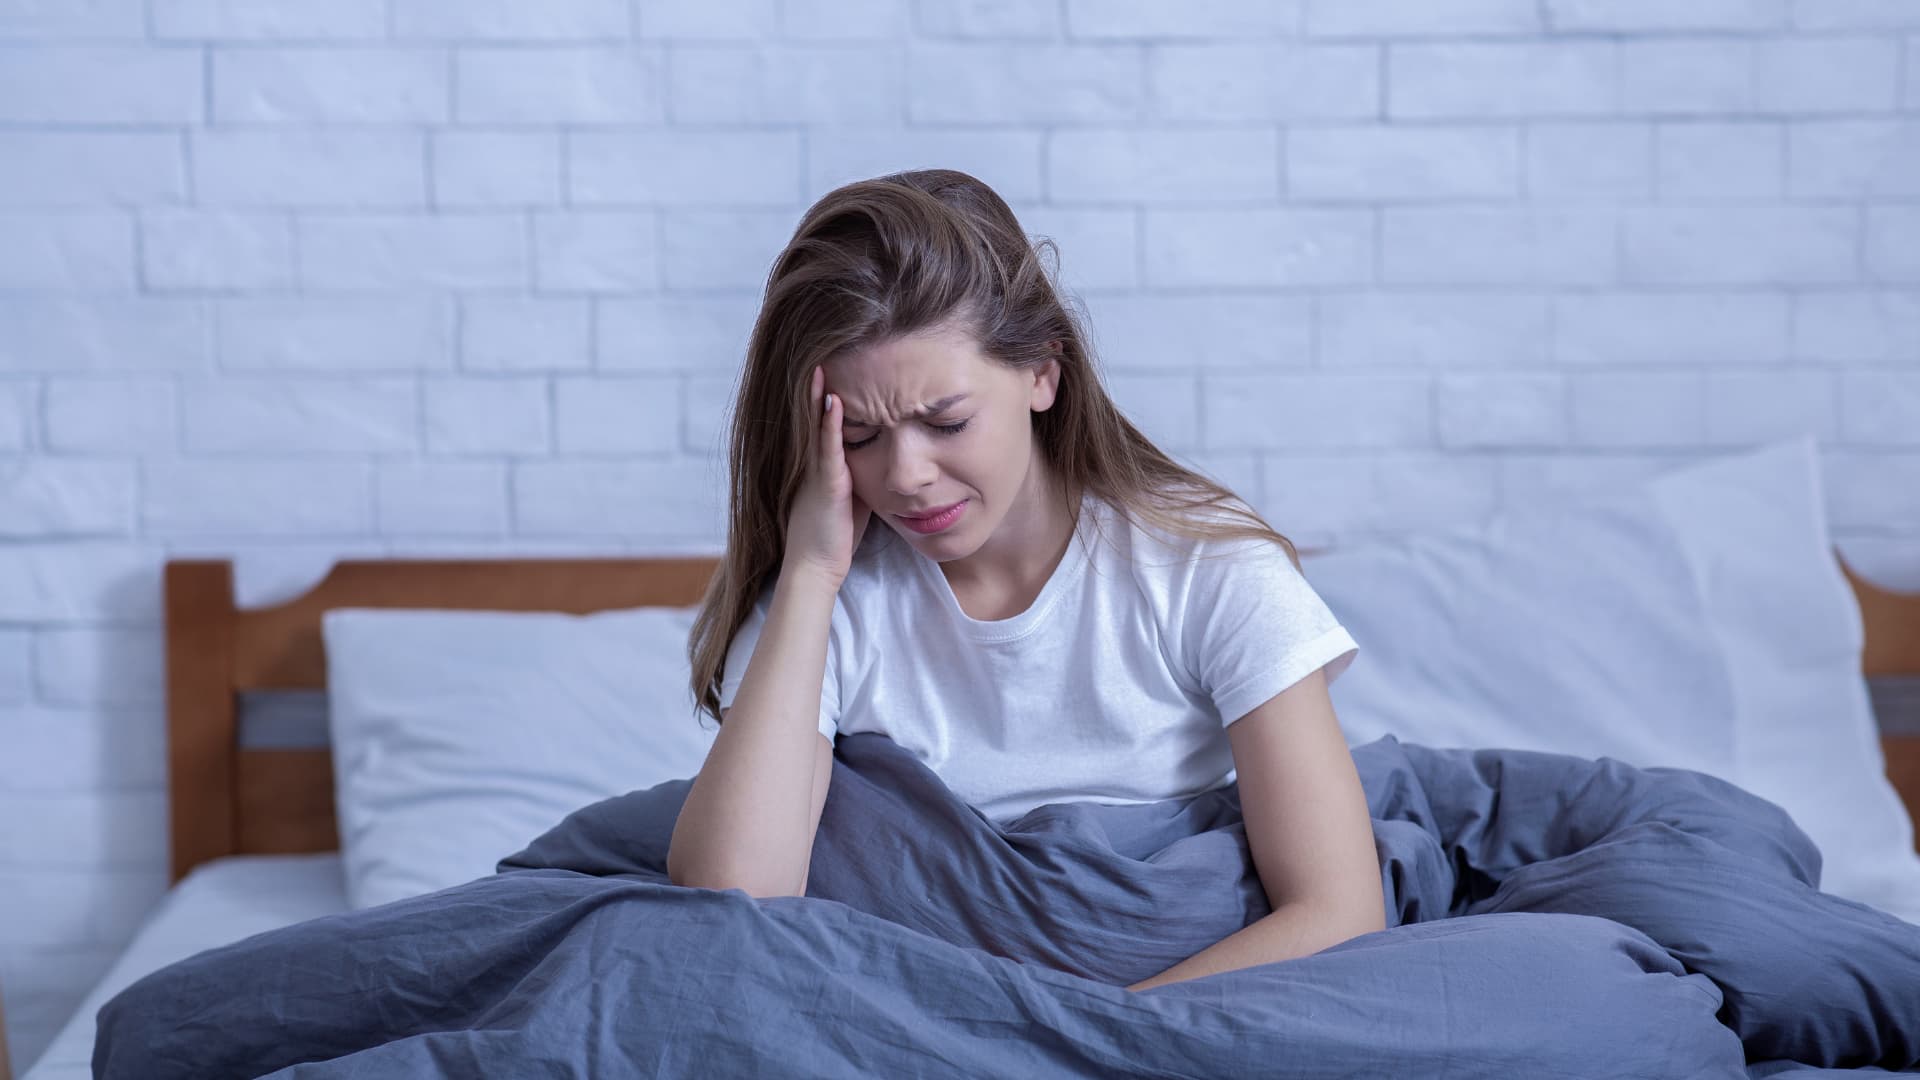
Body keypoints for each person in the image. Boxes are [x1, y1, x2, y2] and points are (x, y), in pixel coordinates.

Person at [670, 168, 1383, 990]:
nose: (906, 475)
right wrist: (809, 573)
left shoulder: (1208, 570)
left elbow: (1337, 909)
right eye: (859, 436)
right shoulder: (832, 598)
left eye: (947, 422)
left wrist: (1072, 1039)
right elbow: (731, 899)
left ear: (1043, 373)